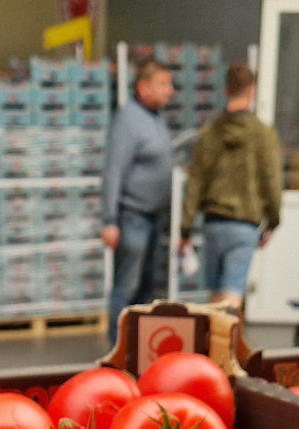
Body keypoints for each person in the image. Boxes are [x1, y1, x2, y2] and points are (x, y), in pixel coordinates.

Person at [179, 62, 283, 315]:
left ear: (226, 90)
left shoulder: (211, 132)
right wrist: (273, 221)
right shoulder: (263, 134)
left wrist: (186, 228)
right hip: (244, 224)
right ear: (252, 90)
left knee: (215, 295)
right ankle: (224, 348)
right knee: (233, 292)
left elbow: (196, 182)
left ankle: (212, 348)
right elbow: (271, 180)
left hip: (214, 223)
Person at [101, 57, 175, 343]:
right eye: (163, 84)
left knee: (147, 288)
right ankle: (117, 349)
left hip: (155, 216)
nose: (169, 90)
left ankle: (139, 349)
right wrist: (109, 220)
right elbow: (113, 170)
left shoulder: (155, 117)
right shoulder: (128, 118)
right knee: (126, 287)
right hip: (133, 216)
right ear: (143, 87)